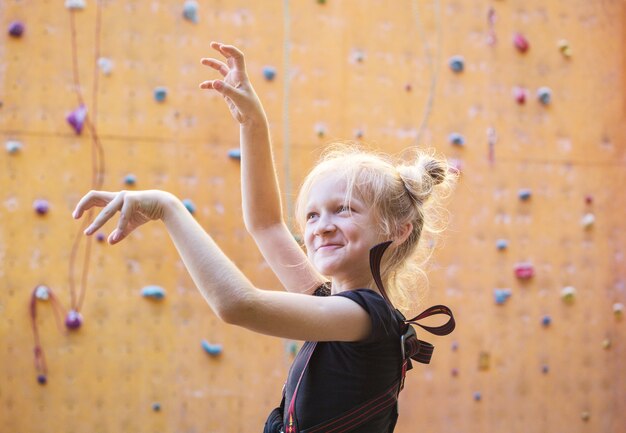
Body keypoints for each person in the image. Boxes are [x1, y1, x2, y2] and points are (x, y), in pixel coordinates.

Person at [72, 42, 457, 433]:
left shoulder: (362, 316)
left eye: (343, 209)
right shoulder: (333, 305)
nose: (319, 226)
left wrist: (167, 208)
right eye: (311, 215)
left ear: (396, 230)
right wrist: (253, 124)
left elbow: (239, 305)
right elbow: (267, 224)